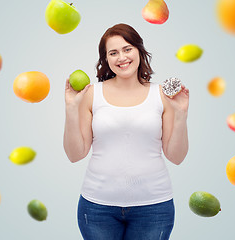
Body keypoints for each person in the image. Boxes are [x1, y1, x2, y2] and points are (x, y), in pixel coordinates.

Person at [63, 23, 189, 240]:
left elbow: (176, 157)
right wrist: (71, 109)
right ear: (106, 59)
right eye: (113, 53)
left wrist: (181, 115)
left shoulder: (162, 95)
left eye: (127, 49)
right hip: (97, 208)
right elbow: (75, 154)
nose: (121, 57)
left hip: (154, 208)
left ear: (139, 50)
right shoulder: (92, 94)